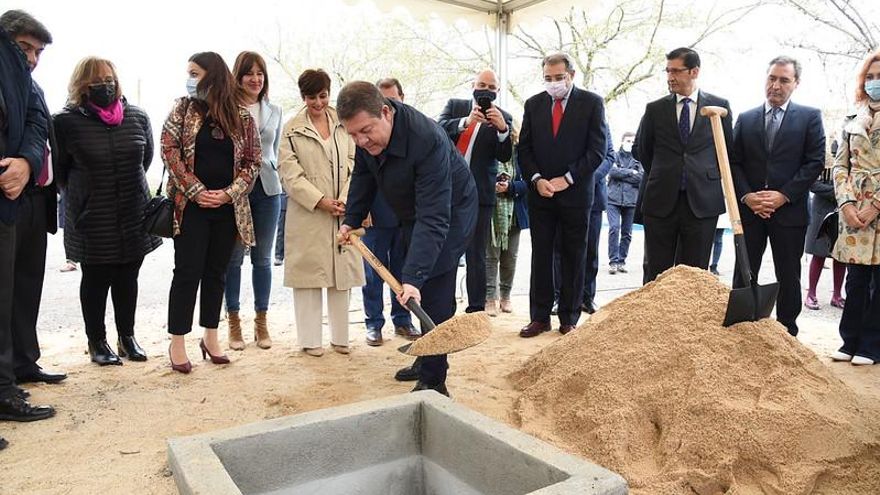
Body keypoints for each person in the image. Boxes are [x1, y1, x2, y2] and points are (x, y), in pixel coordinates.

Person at [337, 81, 477, 397]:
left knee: (433, 287)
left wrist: (414, 278)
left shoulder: (426, 140)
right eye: (353, 135)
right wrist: (351, 219)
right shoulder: (367, 139)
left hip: (450, 213)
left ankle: (434, 379)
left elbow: (434, 217)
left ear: (386, 112)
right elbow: (362, 176)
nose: (360, 140)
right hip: (412, 212)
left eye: (366, 131)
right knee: (409, 281)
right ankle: (425, 355)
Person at [54, 56, 163, 365]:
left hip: (133, 211)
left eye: (109, 79)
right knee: (96, 280)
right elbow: (60, 173)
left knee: (129, 275)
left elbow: (145, 160)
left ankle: (126, 336)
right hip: (92, 217)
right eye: (96, 81)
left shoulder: (137, 116)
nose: (105, 85)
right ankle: (97, 341)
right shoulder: (64, 122)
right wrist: (87, 195)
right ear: (82, 86)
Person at [162, 52, 261, 373]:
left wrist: (228, 194)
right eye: (188, 72)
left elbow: (253, 161)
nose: (189, 78)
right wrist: (195, 191)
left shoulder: (241, 116)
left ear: (212, 75)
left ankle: (211, 336)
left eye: (194, 72)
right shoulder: (182, 108)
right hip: (190, 207)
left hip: (228, 208)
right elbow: (169, 149)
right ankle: (177, 342)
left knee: (217, 272)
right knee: (187, 272)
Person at [730, 55, 825, 337]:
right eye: (772, 78)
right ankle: (741, 330)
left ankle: (787, 333)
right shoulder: (746, 119)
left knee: (788, 275)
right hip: (751, 212)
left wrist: (783, 195)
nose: (776, 85)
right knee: (744, 272)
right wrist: (748, 196)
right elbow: (733, 161)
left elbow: (815, 161)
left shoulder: (809, 117)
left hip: (789, 212)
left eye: (784, 80)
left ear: (796, 84)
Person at [517, 53, 607, 338]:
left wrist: (568, 178)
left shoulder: (592, 103)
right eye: (548, 78)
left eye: (558, 78)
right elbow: (525, 149)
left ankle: (569, 317)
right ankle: (539, 317)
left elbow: (597, 150)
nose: (553, 83)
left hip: (576, 194)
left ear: (571, 75)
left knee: (574, 255)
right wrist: (536, 179)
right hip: (541, 194)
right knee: (541, 256)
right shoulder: (533, 104)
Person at [278, 69, 364, 357]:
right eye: (312, 97)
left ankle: (341, 338)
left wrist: (344, 199)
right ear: (303, 97)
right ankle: (310, 340)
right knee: (309, 276)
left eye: (323, 95)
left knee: (342, 277)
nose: (318, 102)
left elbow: (358, 163)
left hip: (343, 210)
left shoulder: (346, 122)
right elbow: (290, 175)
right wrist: (319, 200)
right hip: (309, 213)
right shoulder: (291, 129)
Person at [0, 10, 65, 384]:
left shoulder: (33, 87)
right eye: (26, 48)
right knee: (4, 292)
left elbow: (39, 127)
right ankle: (5, 377)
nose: (32, 59)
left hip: (35, 199)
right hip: (8, 195)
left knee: (26, 287)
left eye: (38, 52)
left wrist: (28, 161)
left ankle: (25, 363)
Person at [634, 47, 733, 284]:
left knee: (695, 274)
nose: (670, 77)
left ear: (694, 71)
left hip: (702, 203)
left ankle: (690, 321)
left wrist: (700, 174)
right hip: (661, 201)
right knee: (656, 271)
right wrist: (667, 173)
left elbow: (726, 151)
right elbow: (642, 150)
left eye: (676, 71)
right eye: (668, 71)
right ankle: (653, 320)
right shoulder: (655, 109)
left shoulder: (719, 106)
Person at [437, 69, 513, 314]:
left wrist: (502, 130)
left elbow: (505, 156)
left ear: (497, 91)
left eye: (491, 87)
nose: (486, 90)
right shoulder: (455, 106)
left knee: (476, 254)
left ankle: (476, 308)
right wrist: (466, 122)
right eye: (482, 84)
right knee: (444, 250)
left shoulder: (504, 117)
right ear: (473, 84)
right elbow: (437, 131)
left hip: (479, 194)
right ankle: (443, 306)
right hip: (446, 191)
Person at [224, 51, 283, 351]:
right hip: (236, 191)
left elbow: (277, 151)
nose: (256, 79)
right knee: (233, 258)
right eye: (250, 73)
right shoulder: (226, 109)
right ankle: (233, 323)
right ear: (238, 76)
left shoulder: (274, 110)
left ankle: (261, 322)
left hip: (269, 189)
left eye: (260, 73)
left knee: (263, 259)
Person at [829, 50, 880, 366]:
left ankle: (872, 346)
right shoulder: (851, 118)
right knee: (856, 279)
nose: (875, 83)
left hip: (876, 206)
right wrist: (846, 203)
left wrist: (876, 205)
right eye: (870, 77)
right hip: (853, 209)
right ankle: (849, 341)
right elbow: (839, 165)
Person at [359, 77, 417, 347]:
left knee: (404, 271)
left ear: (401, 99)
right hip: (376, 215)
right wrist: (362, 210)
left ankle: (403, 320)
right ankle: (373, 324)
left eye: (392, 100)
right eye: (382, 100)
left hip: (406, 218)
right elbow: (361, 178)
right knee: (374, 274)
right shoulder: (367, 135)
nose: (388, 105)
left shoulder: (412, 133)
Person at [486, 129, 528, 316]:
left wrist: (510, 187)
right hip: (491, 213)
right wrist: (491, 187)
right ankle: (490, 298)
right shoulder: (488, 152)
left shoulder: (521, 155)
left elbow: (529, 182)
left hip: (515, 214)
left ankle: (506, 296)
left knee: (510, 257)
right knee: (490, 257)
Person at [581, 124, 615, 313]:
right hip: (565, 193)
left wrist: (587, 177)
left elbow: (610, 156)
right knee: (560, 250)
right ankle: (559, 297)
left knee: (590, 250)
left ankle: (587, 297)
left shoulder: (602, 125)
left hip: (594, 197)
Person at [804, 167, 846, 309]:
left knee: (841, 255)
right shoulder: (823, 153)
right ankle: (811, 293)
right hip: (822, 207)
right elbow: (813, 183)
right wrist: (838, 193)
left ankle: (837, 295)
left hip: (845, 208)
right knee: (819, 253)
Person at [606, 131, 642, 274]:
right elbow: (612, 172)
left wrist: (623, 173)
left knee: (627, 233)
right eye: (628, 141)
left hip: (631, 200)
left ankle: (621, 261)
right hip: (613, 200)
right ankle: (613, 261)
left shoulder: (639, 160)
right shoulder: (614, 156)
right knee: (614, 228)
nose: (630, 144)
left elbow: (640, 178)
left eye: (633, 142)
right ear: (622, 142)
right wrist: (630, 172)